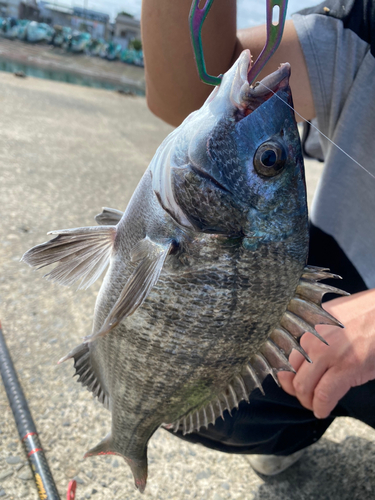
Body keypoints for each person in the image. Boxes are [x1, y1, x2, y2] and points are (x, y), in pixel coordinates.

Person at [141, 0, 375, 475]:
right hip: (344, 280)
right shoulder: (364, 26)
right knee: (167, 358)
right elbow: (187, 89)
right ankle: (300, 421)